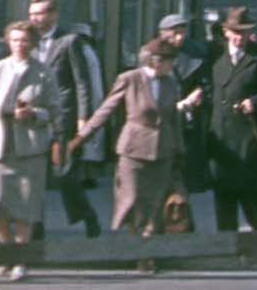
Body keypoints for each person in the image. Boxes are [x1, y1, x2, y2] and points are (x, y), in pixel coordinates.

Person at [71, 38, 195, 259]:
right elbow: (106, 110)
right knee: (133, 198)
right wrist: (82, 136)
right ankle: (134, 241)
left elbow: (174, 120)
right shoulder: (130, 79)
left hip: (163, 150)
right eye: (169, 61)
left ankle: (146, 253)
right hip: (133, 150)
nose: (172, 66)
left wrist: (180, 150)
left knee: (156, 202)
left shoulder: (171, 83)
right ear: (155, 61)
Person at [0, 21, 59, 281]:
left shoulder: (43, 73)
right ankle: (7, 251)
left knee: (25, 206)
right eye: (14, 40)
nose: (20, 45)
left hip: (29, 150)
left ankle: (20, 260)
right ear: (8, 42)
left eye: (25, 40)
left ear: (34, 43)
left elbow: (55, 111)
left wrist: (34, 114)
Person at [26, 0, 102, 240]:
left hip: (64, 118)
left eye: (41, 13)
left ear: (53, 15)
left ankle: (87, 215)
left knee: (65, 174)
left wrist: (83, 118)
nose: (36, 19)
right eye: (32, 14)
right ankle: (36, 227)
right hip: (36, 118)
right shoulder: (28, 41)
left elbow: (82, 82)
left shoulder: (69, 42)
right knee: (36, 175)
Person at [208, 7, 257, 232]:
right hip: (221, 136)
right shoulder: (215, 56)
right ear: (226, 32)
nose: (239, 38)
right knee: (223, 193)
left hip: (249, 135)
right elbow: (205, 86)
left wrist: (255, 102)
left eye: (244, 33)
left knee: (251, 192)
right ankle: (225, 245)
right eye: (235, 32)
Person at [155, 14, 211, 228]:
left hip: (186, 127)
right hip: (159, 129)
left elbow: (205, 84)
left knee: (181, 181)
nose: (179, 38)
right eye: (174, 33)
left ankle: (181, 226)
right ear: (163, 34)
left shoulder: (195, 55)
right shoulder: (152, 55)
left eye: (182, 32)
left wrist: (200, 94)